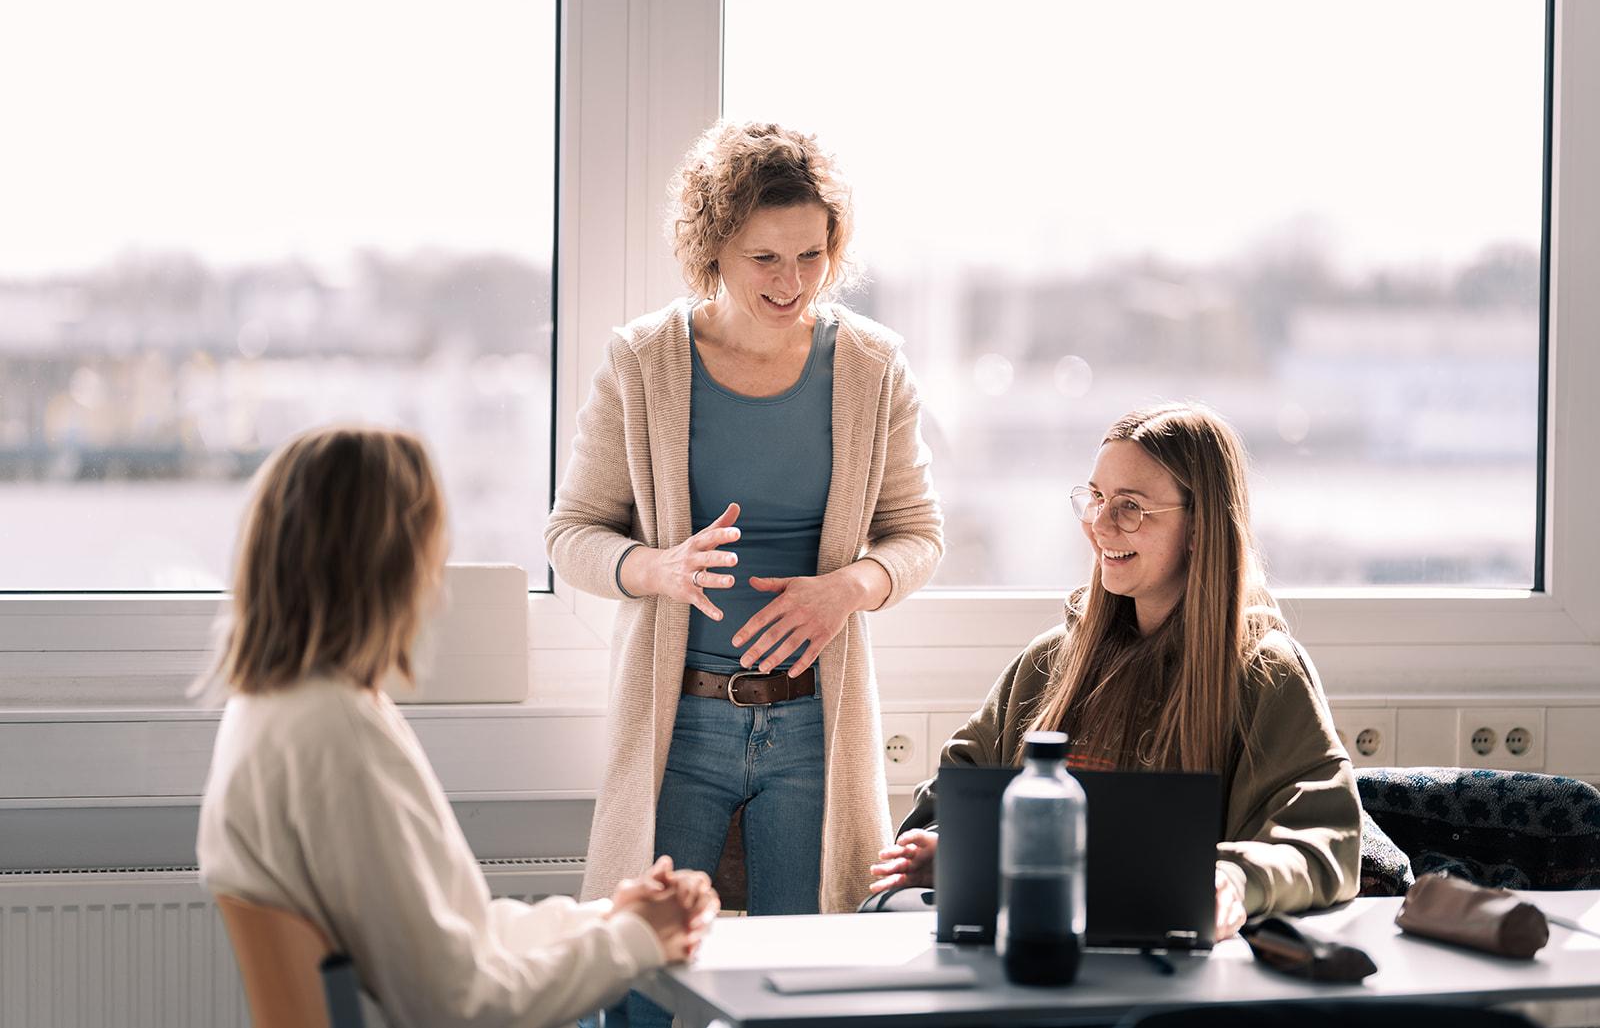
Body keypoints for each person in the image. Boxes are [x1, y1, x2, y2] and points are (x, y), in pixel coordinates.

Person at [546, 121, 942, 1024]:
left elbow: (918, 535)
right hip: (679, 721)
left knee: (806, 990)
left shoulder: (872, 366)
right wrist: (658, 567)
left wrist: (851, 587)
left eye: (811, 253)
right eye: (765, 256)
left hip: (812, 724)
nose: (791, 281)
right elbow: (572, 533)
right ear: (711, 247)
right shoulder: (644, 361)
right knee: (637, 986)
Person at [196, 426, 717, 1028]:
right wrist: (633, 941)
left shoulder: (276, 712)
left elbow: (448, 932)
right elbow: (458, 1002)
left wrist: (606, 917)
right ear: (391, 561)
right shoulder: (336, 737)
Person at [869, 404, 1360, 939]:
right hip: (1034, 945)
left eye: (1130, 507)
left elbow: (1324, 842)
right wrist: (951, 846)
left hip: (1174, 962)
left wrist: (1234, 881)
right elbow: (955, 793)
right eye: (1097, 499)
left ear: (1200, 527)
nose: (1099, 525)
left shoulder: (1266, 674)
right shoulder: (1050, 661)